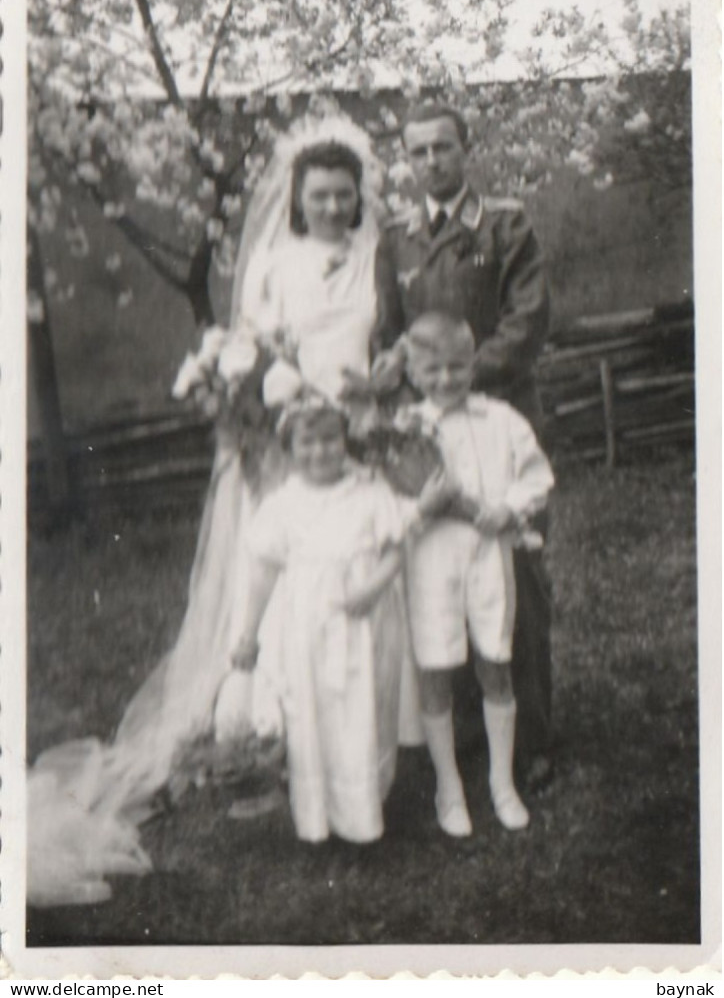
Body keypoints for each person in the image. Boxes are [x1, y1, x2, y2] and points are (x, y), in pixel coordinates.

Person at [27, 113, 393, 906]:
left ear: (359, 196)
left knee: (359, 572)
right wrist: (260, 410)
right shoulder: (274, 261)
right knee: (284, 582)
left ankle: (367, 732)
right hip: (292, 441)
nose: (333, 206)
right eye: (319, 195)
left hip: (359, 436)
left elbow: (385, 340)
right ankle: (273, 734)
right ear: (297, 199)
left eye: (344, 194)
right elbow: (252, 349)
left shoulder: (377, 255)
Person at [372, 99, 555, 791]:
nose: (431, 161)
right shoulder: (397, 239)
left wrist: (453, 379)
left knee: (515, 577)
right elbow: (390, 334)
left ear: (464, 148)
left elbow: (526, 323)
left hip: (499, 420)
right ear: (406, 159)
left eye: (442, 147)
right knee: (444, 572)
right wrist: (410, 397)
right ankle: (474, 729)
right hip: (431, 434)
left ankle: (532, 736)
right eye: (417, 151)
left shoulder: (505, 225)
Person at [230, 398, 450, 844]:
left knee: (366, 707)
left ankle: (366, 807)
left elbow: (395, 550)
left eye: (331, 439)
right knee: (314, 713)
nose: (321, 451)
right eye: (307, 442)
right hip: (308, 626)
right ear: (290, 448)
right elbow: (262, 573)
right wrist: (248, 634)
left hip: (367, 619)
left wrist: (372, 589)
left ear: (345, 441)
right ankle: (320, 812)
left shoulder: (369, 494)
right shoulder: (282, 505)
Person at [399, 312, 554, 836]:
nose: (446, 379)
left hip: (489, 556)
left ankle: (501, 783)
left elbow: (537, 476)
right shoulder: (403, 429)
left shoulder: (500, 418)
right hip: (430, 561)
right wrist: (421, 507)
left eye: (457, 367)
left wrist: (508, 508)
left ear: (473, 364)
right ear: (414, 373)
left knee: (496, 661)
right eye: (433, 369)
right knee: (435, 669)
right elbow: (388, 501)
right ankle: (449, 787)